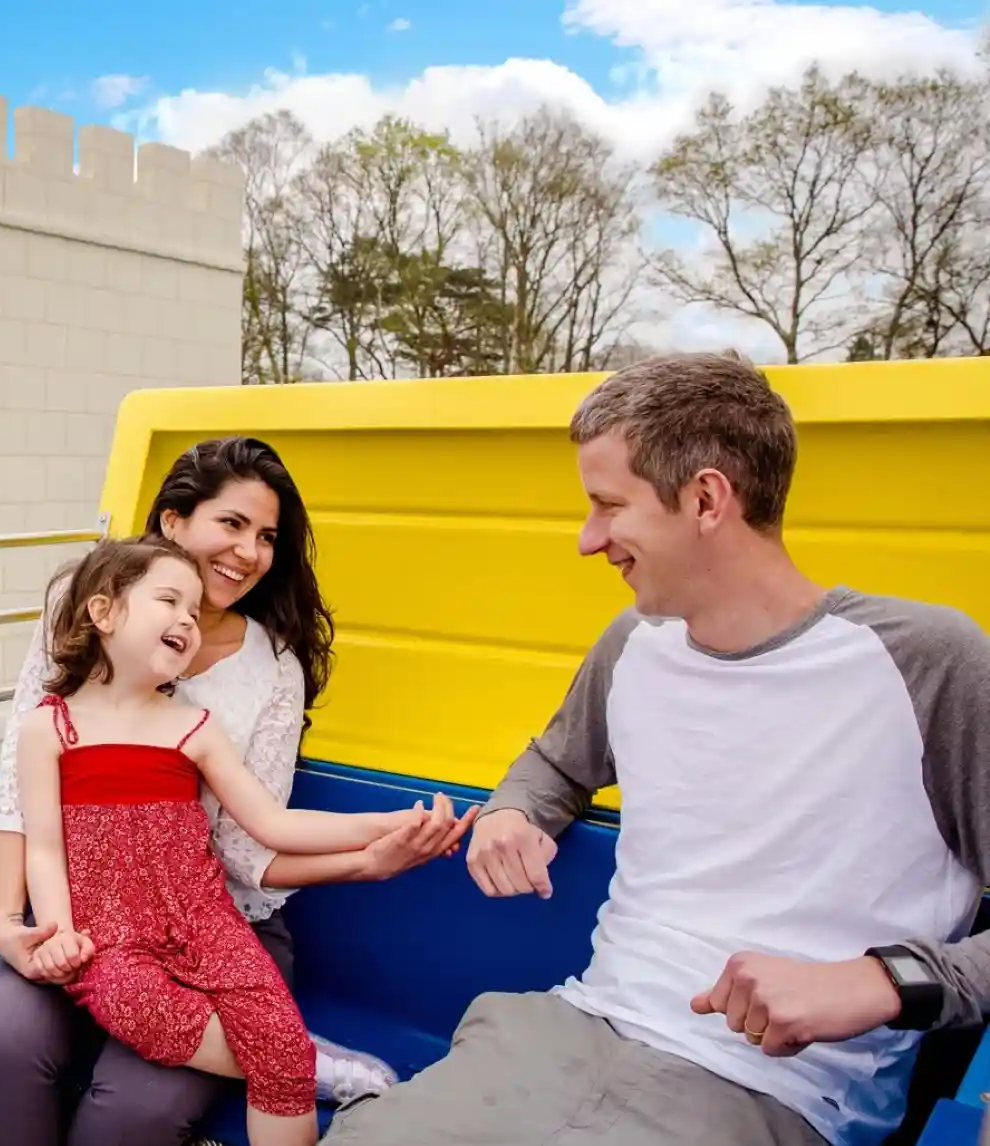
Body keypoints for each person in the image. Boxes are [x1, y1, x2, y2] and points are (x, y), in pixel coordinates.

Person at [323, 352, 990, 1146]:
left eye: (609, 506)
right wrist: (512, 811)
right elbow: (556, 762)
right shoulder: (635, 642)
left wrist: (883, 980)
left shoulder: (929, 664)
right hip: (567, 1028)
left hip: (770, 1089)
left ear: (706, 499)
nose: (588, 540)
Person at [0, 436, 473, 1146]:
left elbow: (258, 836)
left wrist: (376, 842)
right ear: (172, 521)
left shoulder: (221, 704)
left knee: (132, 1110)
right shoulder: (66, 666)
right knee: (3, 1046)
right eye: (231, 523)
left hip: (210, 915)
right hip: (95, 921)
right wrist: (19, 922)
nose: (249, 552)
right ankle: (295, 1055)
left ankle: (290, 1055)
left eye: (266, 536)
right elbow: (26, 809)